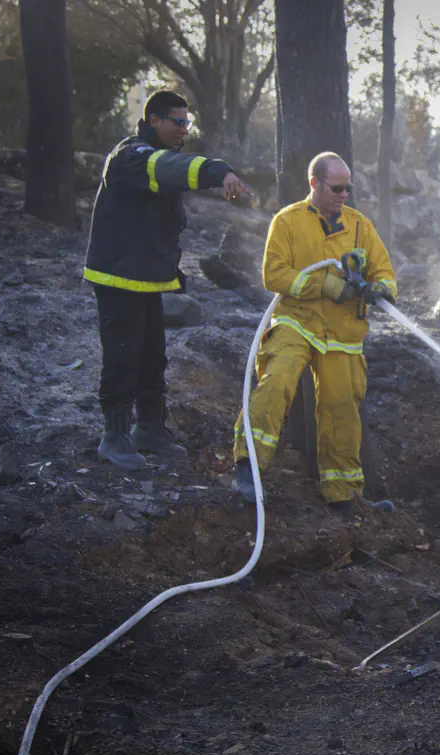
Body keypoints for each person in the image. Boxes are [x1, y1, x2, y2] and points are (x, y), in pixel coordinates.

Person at [85, 89, 249, 470]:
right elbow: (172, 169)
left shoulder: (157, 156)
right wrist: (218, 170)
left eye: (187, 123)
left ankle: (150, 429)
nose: (184, 130)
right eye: (178, 122)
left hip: (145, 279)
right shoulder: (131, 156)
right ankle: (115, 436)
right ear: (154, 120)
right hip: (117, 277)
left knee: (151, 356)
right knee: (123, 356)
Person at [231, 152, 397, 512]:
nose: (344, 195)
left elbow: (384, 271)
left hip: (343, 333)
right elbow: (274, 274)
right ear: (314, 183)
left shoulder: (359, 227)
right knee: (277, 380)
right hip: (296, 321)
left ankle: (343, 495)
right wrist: (324, 286)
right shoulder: (288, 221)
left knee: (341, 408)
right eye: (337, 188)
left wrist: (382, 288)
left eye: (348, 188)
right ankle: (248, 468)